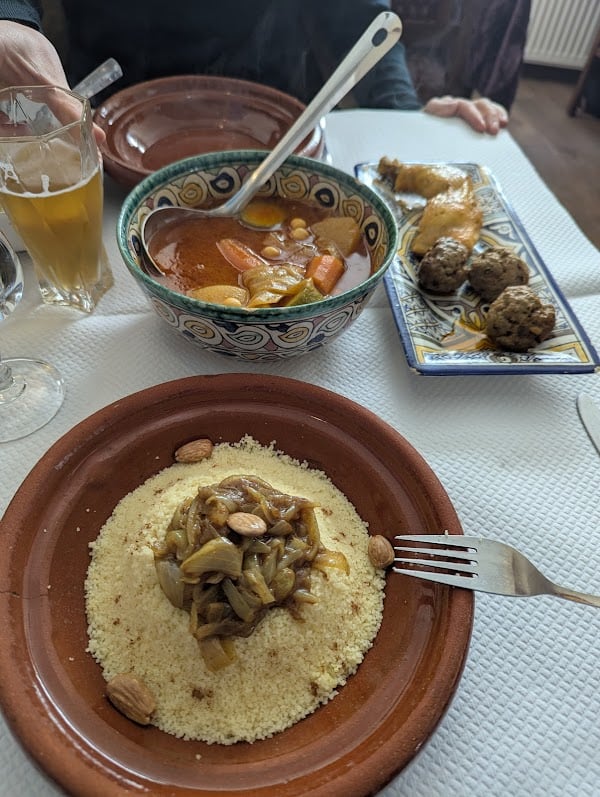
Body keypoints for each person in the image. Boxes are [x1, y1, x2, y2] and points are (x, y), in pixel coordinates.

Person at [0, 0, 508, 135]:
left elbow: (361, 18)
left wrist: (402, 119)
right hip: (96, 124)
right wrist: (10, 22)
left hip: (271, 129)